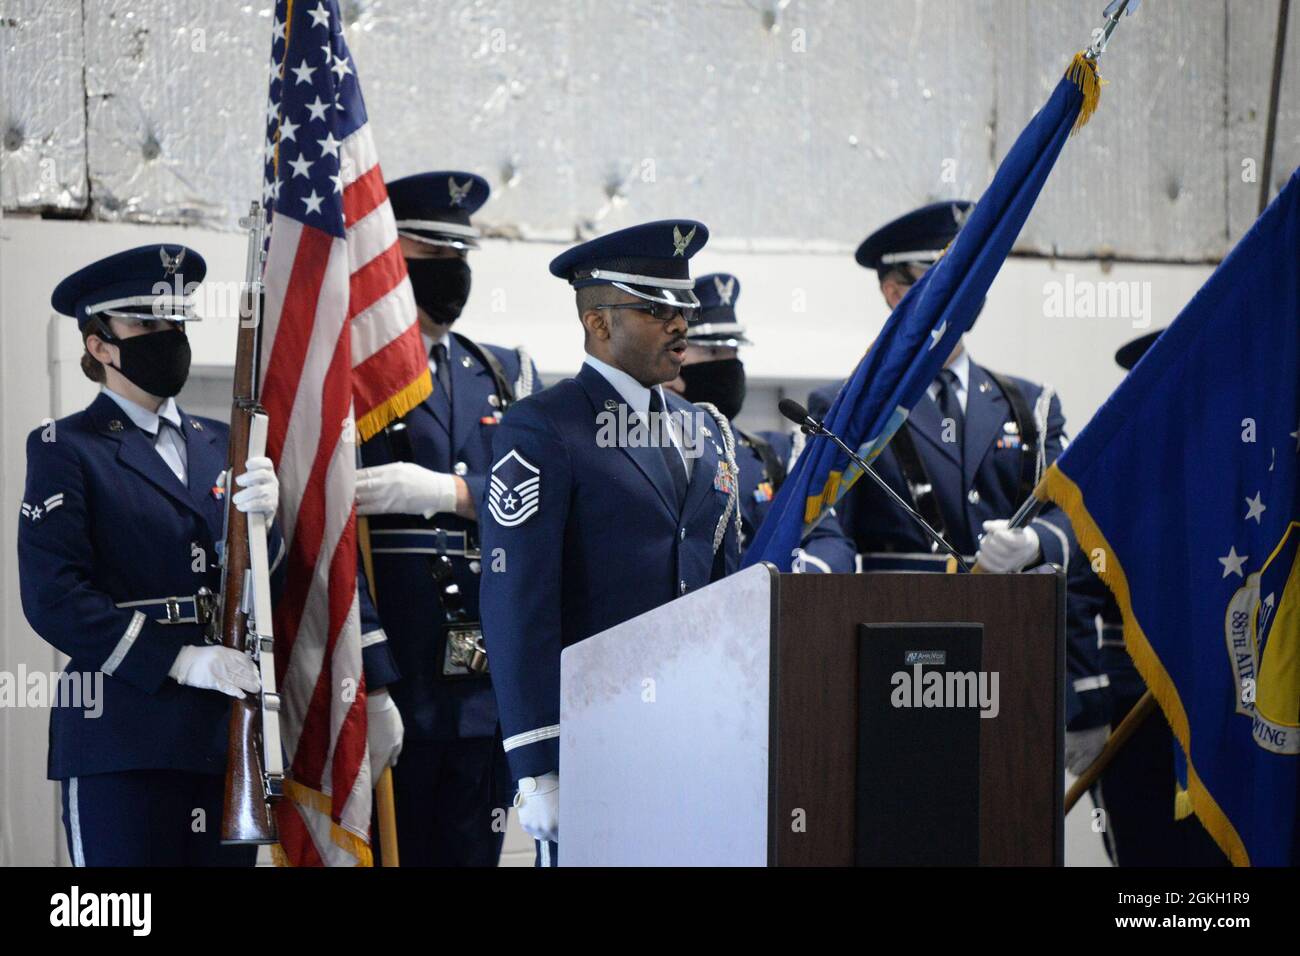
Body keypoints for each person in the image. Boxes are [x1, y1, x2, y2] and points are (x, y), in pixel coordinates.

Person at [479, 220, 741, 865]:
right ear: (598, 322)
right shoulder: (545, 426)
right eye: (657, 310)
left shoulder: (705, 428)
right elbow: (517, 603)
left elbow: (729, 587)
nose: (680, 324)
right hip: (596, 735)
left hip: (698, 733)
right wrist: (538, 764)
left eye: (683, 308)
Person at [18, 244, 282, 866]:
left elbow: (257, 587)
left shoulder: (224, 445)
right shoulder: (66, 448)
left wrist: (272, 528)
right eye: (144, 325)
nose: (165, 338)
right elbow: (54, 598)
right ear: (99, 344)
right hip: (124, 734)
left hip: (220, 736)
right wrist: (179, 660)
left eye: (173, 324)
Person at [353, 171, 541, 866]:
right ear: (389, 258)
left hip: (482, 676)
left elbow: (542, 499)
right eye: (433, 253)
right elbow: (329, 547)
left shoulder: (500, 371)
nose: (453, 271)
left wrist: (449, 494)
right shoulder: (352, 373)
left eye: (461, 254)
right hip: (398, 669)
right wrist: (370, 672)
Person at [809, 201, 1075, 582]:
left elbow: (1071, 507)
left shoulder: (1032, 406)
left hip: (1014, 623)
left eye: (974, 275)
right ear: (895, 293)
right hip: (901, 622)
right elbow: (828, 531)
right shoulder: (848, 407)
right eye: (949, 278)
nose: (966, 291)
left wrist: (1037, 540)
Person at [1067, 329, 1225, 866]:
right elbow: (1072, 591)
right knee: (1144, 856)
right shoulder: (1115, 484)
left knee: (1222, 859)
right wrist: (1085, 708)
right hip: (1135, 706)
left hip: (1226, 708)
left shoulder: (1248, 478)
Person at [666, 271, 855, 572]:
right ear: (674, 362)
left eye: (734, 351)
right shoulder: (653, 452)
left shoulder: (775, 454)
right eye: (714, 351)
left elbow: (830, 542)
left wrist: (785, 577)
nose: (729, 364)